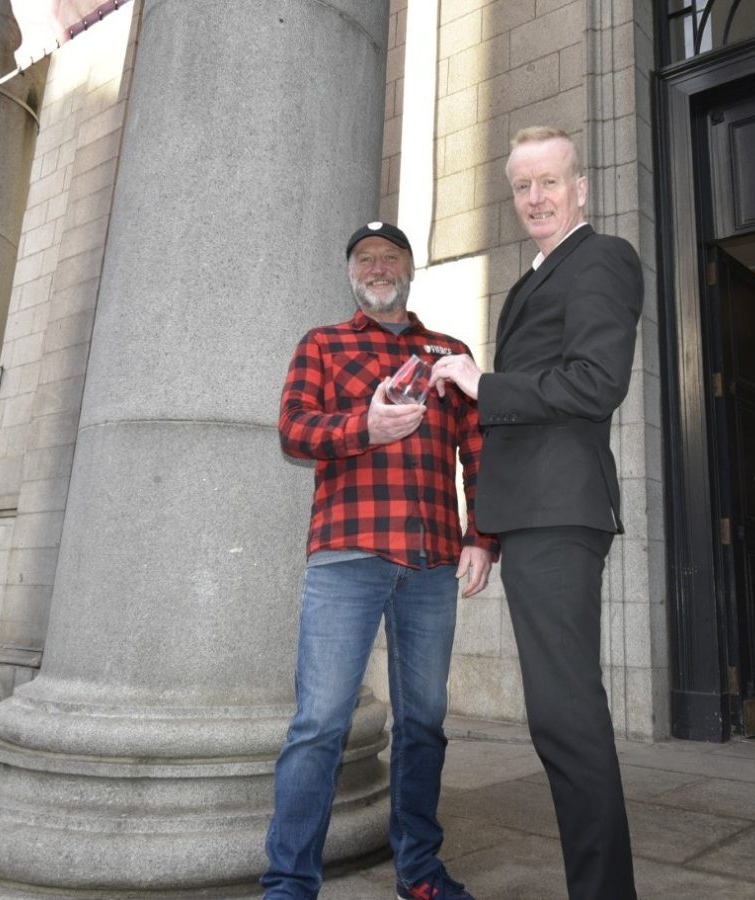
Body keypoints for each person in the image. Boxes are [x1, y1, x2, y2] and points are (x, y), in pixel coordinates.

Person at [431, 126, 641, 900]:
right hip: (531, 513)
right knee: (560, 715)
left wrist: (485, 385)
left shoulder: (602, 259)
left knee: (566, 716)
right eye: (523, 186)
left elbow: (594, 382)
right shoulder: (535, 279)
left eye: (550, 182)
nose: (536, 198)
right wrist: (486, 531)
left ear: (580, 187)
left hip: (561, 507)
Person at [263, 221, 496, 900]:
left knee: (423, 723)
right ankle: (288, 885)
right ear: (351, 273)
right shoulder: (323, 344)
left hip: (430, 561)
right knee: (320, 723)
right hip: (347, 554)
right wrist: (361, 427)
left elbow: (477, 450)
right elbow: (293, 430)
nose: (377, 265)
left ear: (409, 270)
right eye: (364, 258)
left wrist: (482, 535)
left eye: (390, 256)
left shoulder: (448, 353)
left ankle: (419, 871)